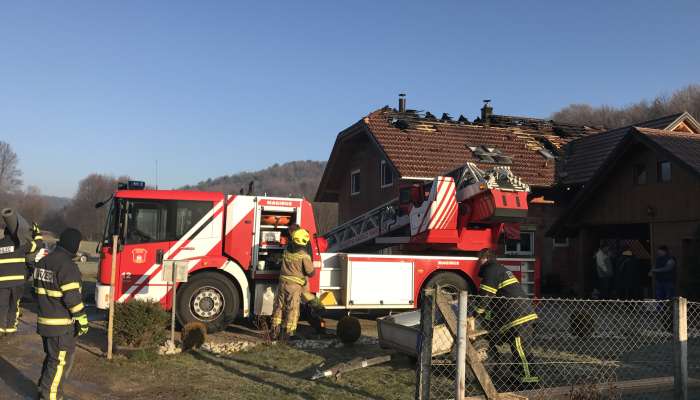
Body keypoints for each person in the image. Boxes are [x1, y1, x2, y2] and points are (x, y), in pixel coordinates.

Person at [34, 228, 89, 400]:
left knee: (51, 359)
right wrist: (82, 320)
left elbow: (37, 290)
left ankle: (43, 390)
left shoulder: (43, 261)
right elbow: (72, 299)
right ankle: (50, 396)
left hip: (45, 322)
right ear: (73, 244)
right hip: (61, 326)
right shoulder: (67, 266)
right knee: (59, 363)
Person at [474, 248, 539, 387]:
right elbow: (494, 302)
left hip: (518, 318)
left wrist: (475, 314)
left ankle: (530, 383)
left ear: (485, 258)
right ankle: (517, 378)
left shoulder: (491, 270)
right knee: (516, 349)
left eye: (480, 259)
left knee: (521, 350)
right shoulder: (499, 269)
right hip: (517, 316)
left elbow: (485, 296)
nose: (479, 263)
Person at [271, 228, 315, 340]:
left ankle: (274, 332)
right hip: (294, 287)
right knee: (292, 309)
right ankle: (289, 334)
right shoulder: (304, 256)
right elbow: (310, 273)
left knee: (279, 307)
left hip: (282, 284)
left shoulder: (286, 251)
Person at [0, 209, 36, 336]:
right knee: (13, 305)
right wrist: (36, 234)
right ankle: (10, 329)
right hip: (17, 282)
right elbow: (36, 245)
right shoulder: (20, 245)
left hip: (2, 283)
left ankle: (1, 329)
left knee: (2, 306)